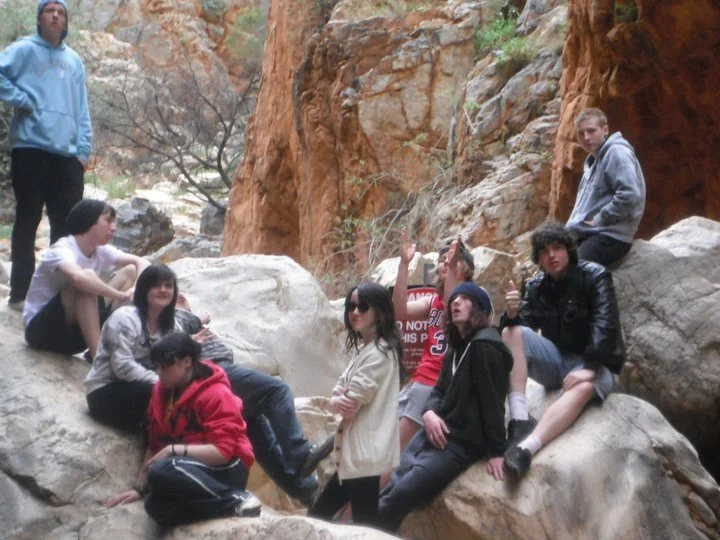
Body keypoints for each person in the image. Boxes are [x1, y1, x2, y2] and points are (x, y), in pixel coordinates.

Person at [85, 264, 328, 504]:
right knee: (273, 391)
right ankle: (298, 457)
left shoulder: (173, 325)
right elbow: (123, 368)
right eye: (156, 285)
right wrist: (173, 383)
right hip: (110, 393)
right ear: (143, 290)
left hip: (153, 389)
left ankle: (302, 489)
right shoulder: (125, 318)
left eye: (168, 286)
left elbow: (185, 362)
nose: (163, 290)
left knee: (245, 415)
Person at [375, 283, 511, 533]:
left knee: (402, 492)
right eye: (453, 299)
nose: (455, 302)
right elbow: (438, 390)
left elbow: (493, 401)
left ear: (480, 309)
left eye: (464, 298)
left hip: (461, 444)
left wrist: (497, 451)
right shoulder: (457, 346)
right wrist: (428, 413)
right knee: (395, 481)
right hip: (436, 433)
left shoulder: (485, 345)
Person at [500, 222, 625, 479]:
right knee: (510, 332)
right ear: (538, 259)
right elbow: (521, 327)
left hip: (598, 361)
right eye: (544, 252)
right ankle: (520, 420)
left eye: (557, 248)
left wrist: (589, 369)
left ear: (569, 249)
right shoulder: (536, 288)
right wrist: (511, 314)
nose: (551, 256)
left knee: (584, 386)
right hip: (560, 360)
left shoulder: (595, 275)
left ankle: (526, 448)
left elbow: (606, 324)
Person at [105, 331, 262, 526]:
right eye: (157, 367)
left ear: (187, 362)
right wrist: (139, 488)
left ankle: (237, 498)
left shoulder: (216, 393)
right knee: (156, 507)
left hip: (227, 468)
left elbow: (223, 451)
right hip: (189, 468)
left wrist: (173, 450)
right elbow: (156, 441)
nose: (158, 373)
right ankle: (229, 508)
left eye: (165, 367)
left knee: (166, 467)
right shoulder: (161, 393)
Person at [0, 0, 93, 310]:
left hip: (67, 156)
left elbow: (82, 108)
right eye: (49, 10)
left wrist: (83, 149)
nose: (55, 15)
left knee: (66, 227)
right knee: (28, 219)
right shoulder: (24, 49)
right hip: (31, 148)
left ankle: (54, 297)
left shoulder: (75, 61)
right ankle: (20, 294)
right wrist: (21, 99)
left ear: (66, 21)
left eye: (61, 11)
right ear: (39, 18)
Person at [308, 282, 403, 527]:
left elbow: (349, 403)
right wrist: (339, 399)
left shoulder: (380, 352)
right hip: (357, 457)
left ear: (379, 311)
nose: (355, 312)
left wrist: (335, 401)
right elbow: (340, 389)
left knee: (354, 524)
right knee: (346, 520)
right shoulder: (369, 349)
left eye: (363, 306)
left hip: (364, 456)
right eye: (351, 305)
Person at [23, 199, 146, 359]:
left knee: (130, 272)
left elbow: (142, 262)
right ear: (89, 221)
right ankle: (98, 359)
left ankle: (109, 344)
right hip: (42, 331)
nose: (114, 228)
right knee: (85, 282)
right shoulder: (62, 249)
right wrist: (118, 295)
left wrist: (134, 289)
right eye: (108, 221)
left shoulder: (100, 250)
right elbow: (77, 277)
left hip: (76, 334)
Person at [392, 228, 475, 452]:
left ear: (465, 266)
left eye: (452, 258)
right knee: (386, 433)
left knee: (396, 447)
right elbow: (399, 311)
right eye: (443, 259)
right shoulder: (432, 300)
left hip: (438, 382)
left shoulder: (473, 298)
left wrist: (452, 269)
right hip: (419, 379)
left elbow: (452, 305)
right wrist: (403, 265)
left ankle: (375, 488)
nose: (445, 261)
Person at [566, 107, 646, 267]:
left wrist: (600, 219)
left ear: (605, 130)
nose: (586, 137)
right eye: (581, 133)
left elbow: (630, 195)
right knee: (552, 263)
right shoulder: (594, 161)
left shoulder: (616, 152)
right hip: (590, 233)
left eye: (591, 131)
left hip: (611, 235)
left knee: (573, 270)